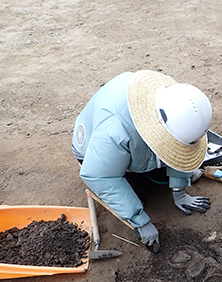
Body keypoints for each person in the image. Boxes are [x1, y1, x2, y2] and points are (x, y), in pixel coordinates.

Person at [72, 70, 213, 252]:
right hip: (94, 154)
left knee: (171, 171)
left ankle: (150, 173)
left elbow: (183, 149)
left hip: (136, 146)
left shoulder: (179, 102)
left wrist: (179, 190)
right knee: (137, 197)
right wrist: (140, 221)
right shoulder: (114, 130)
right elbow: (99, 175)